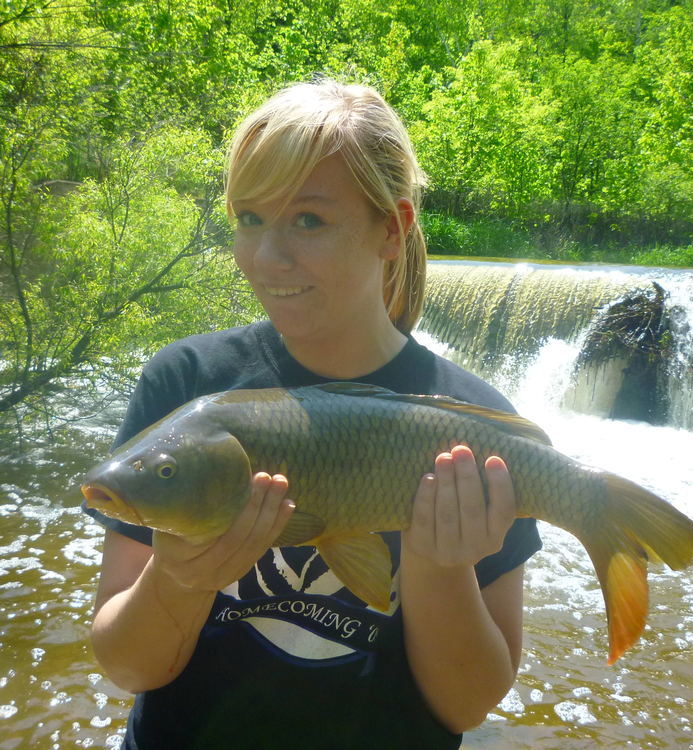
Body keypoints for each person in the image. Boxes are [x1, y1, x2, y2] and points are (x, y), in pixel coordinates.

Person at [84, 78, 541, 749]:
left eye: (308, 220)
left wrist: (438, 568)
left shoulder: (473, 433)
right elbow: (127, 664)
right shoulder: (186, 386)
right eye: (250, 218)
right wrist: (179, 577)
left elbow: (467, 705)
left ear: (393, 228)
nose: (268, 256)